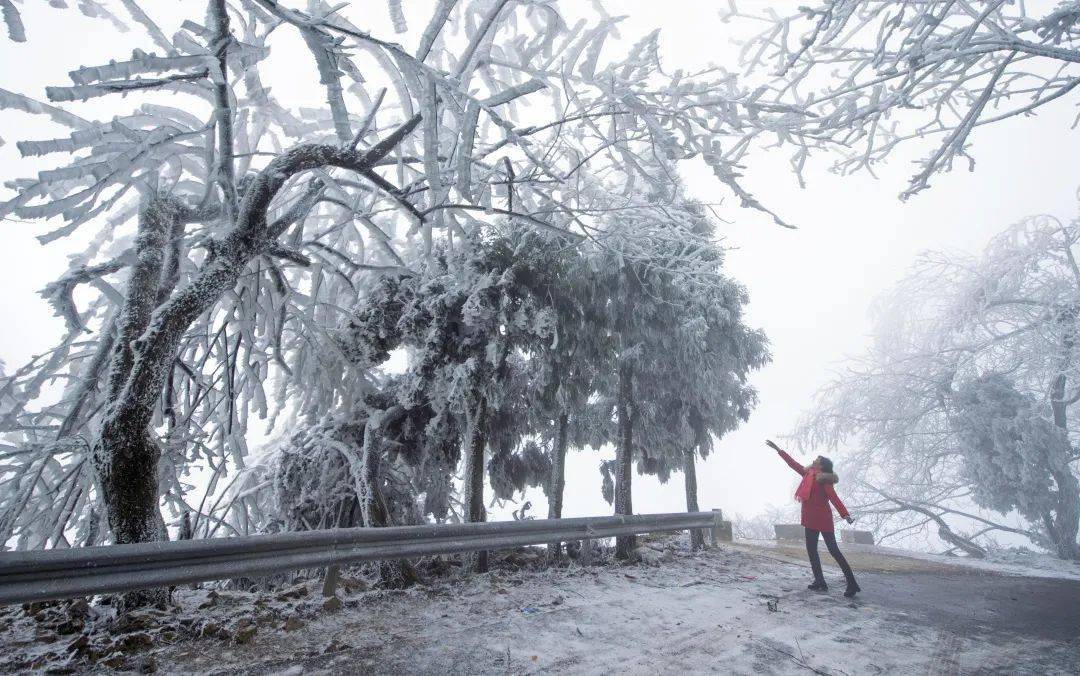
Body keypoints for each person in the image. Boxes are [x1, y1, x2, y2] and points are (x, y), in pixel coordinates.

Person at [766, 439, 861, 598]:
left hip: (823, 520)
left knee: (834, 551)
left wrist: (846, 515)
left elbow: (834, 499)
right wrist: (779, 450)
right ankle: (820, 581)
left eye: (817, 459)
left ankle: (852, 583)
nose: (814, 459)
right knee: (811, 550)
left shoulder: (823, 480)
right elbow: (792, 463)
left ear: (821, 465)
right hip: (810, 519)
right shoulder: (807, 473)